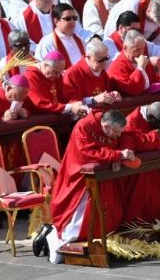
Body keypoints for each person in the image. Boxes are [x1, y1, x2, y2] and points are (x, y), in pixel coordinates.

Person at [44, 109, 134, 263]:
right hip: (80, 175)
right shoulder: (84, 127)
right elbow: (87, 153)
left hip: (99, 175)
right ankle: (59, 240)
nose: (117, 136)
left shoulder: (112, 128)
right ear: (106, 126)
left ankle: (87, 238)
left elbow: (126, 138)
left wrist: (119, 154)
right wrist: (116, 155)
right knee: (78, 213)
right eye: (116, 132)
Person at [24, 51, 88, 116]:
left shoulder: (57, 76)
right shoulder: (31, 77)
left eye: (60, 72)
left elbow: (63, 97)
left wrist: (74, 103)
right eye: (55, 72)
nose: (58, 76)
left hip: (57, 117)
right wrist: (70, 108)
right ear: (45, 65)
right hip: (39, 119)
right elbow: (40, 104)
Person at [106, 29, 160, 96]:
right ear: (125, 48)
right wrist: (140, 68)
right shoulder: (116, 67)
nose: (141, 53)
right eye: (137, 50)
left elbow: (153, 81)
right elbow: (132, 90)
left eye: (143, 49)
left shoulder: (143, 60)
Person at [63, 40, 120, 106]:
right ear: (88, 57)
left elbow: (107, 93)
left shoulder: (102, 71)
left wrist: (112, 95)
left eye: (106, 58)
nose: (104, 63)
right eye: (100, 59)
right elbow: (71, 104)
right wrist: (93, 100)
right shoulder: (72, 74)